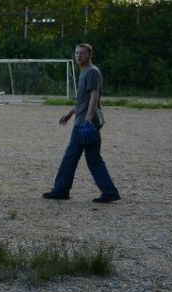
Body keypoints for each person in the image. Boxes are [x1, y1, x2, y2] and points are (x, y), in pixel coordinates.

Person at [43, 43, 120, 203]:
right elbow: (82, 100)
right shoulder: (84, 71)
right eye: (77, 53)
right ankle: (109, 191)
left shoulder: (91, 72)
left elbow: (94, 96)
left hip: (85, 123)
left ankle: (61, 190)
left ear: (90, 54)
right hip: (85, 120)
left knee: (70, 156)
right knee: (93, 158)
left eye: (82, 53)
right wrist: (70, 114)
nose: (78, 56)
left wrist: (87, 121)